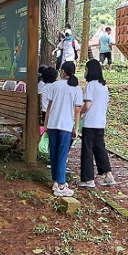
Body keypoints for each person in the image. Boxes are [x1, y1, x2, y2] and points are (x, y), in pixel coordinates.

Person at [44, 61, 82, 197]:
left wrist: (45, 124)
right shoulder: (76, 88)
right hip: (66, 126)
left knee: (53, 153)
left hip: (53, 124)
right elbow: (77, 110)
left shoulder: (55, 85)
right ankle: (60, 186)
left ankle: (56, 181)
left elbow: (49, 107)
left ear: (63, 71)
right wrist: (76, 128)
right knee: (62, 155)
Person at [78, 59, 115, 188]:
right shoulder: (104, 86)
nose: (85, 72)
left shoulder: (91, 85)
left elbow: (87, 104)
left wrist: (79, 113)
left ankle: (88, 179)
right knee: (100, 148)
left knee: (87, 150)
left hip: (90, 122)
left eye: (86, 69)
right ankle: (108, 175)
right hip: (100, 122)